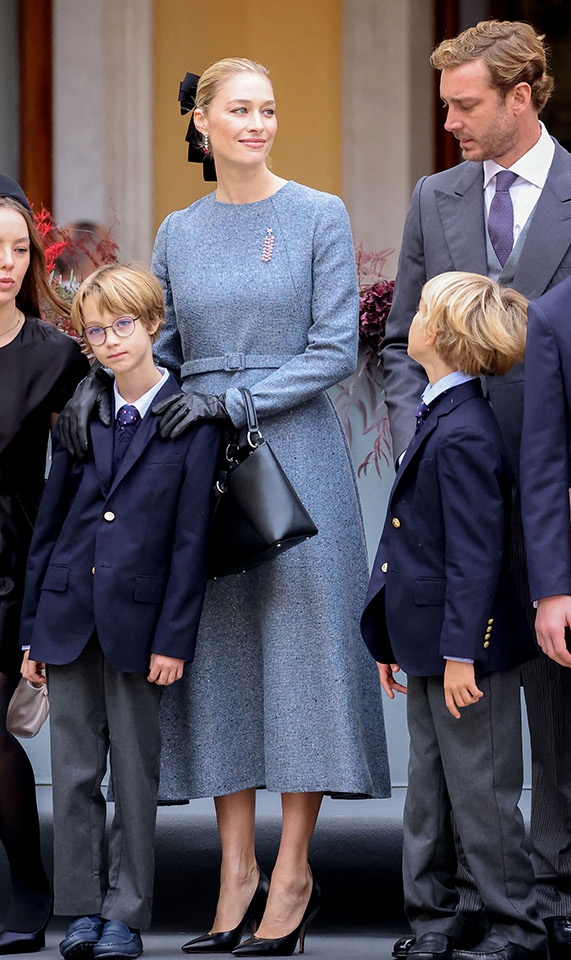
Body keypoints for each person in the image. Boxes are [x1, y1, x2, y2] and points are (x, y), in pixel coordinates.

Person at [59, 58, 392, 951]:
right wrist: (112, 386)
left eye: (269, 109)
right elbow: (162, 339)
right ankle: (234, 868)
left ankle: (294, 871)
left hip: (296, 451)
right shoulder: (179, 228)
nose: (257, 123)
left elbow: (333, 349)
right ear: (202, 124)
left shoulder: (319, 214)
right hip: (197, 454)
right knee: (220, 659)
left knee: (306, 650)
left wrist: (239, 399)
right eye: (240, 110)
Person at [379, 25, 571, 950]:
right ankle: (476, 897)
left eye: (466, 104)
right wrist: (420, 434)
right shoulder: (436, 197)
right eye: (446, 103)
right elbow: (400, 342)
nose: (450, 121)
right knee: (463, 722)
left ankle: (563, 897)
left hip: (559, 498)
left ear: (523, 98)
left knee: (556, 709)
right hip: (456, 485)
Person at [19, 264, 222, 960]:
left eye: (122, 326)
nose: (108, 342)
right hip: (69, 619)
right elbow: (51, 531)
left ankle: (125, 913)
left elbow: (192, 545)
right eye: (96, 331)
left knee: (134, 773)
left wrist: (175, 639)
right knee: (74, 771)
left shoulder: (190, 422)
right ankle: (81, 909)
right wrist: (33, 633)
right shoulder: (84, 414)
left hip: (141, 628)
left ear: (154, 326)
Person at [364, 272, 542, 960]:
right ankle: (436, 920)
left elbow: (477, 558)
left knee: (483, 793)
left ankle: (517, 929)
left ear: (435, 334)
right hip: (428, 644)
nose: (407, 319)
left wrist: (464, 652)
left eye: (419, 312)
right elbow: (409, 538)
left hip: (464, 652)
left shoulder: (464, 430)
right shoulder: (442, 413)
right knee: (431, 793)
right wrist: (389, 634)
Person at [0, 175, 82, 953]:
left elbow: (97, 456)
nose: (5, 262)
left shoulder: (55, 354)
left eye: (18, 248)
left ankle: (29, 885)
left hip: (11, 559)